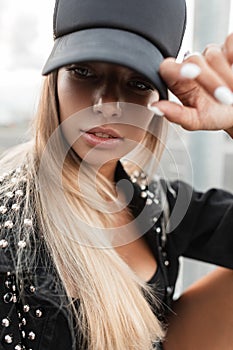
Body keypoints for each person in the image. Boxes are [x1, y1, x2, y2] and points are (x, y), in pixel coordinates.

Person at [0, 1, 232, 349]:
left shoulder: (155, 202)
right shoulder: (11, 228)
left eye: (137, 83)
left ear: (159, 99)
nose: (107, 103)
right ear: (54, 79)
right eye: (83, 72)